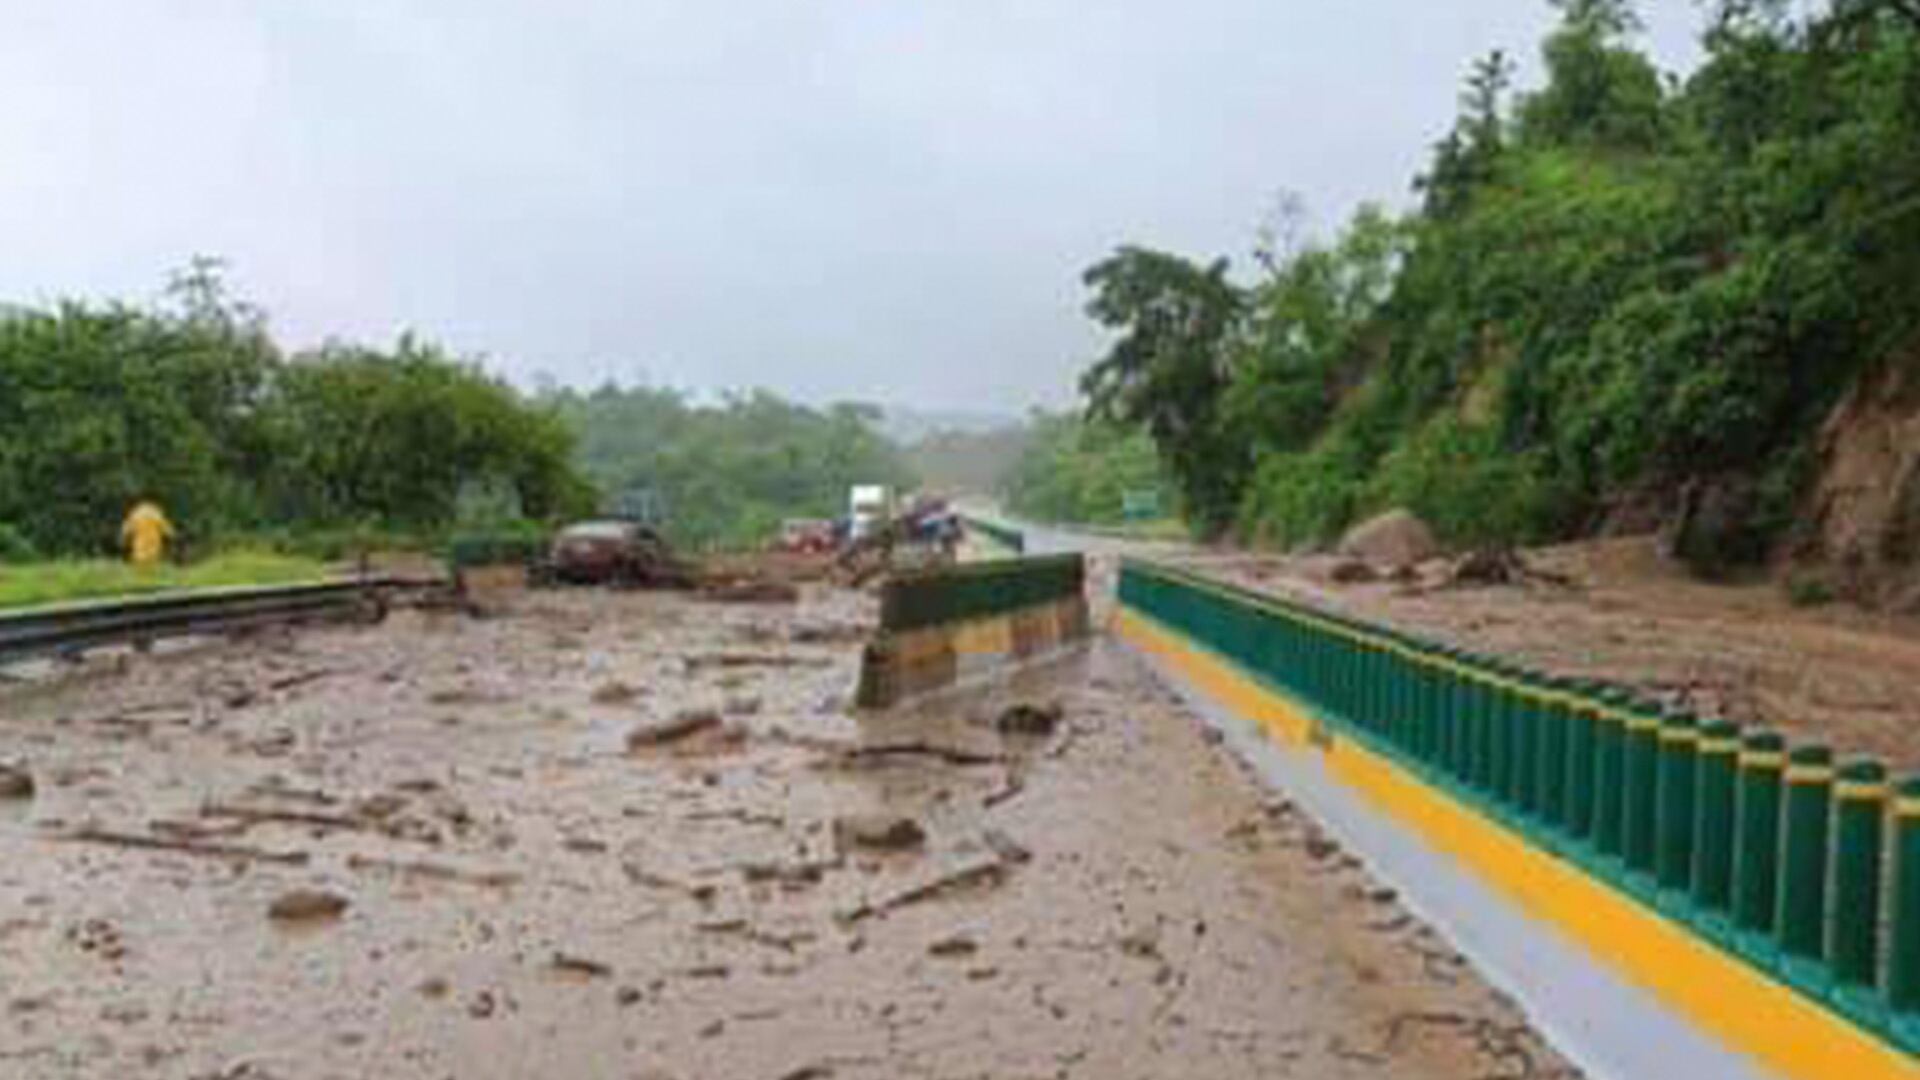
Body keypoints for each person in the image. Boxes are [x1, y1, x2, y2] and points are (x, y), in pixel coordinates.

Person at [121, 499, 174, 567]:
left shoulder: (136, 513)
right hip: (154, 545)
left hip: (139, 546)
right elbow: (167, 530)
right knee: (153, 567)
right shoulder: (156, 513)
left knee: (140, 566)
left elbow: (126, 530)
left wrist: (125, 542)